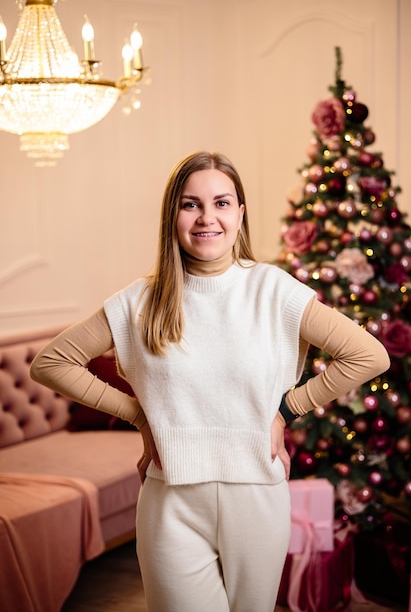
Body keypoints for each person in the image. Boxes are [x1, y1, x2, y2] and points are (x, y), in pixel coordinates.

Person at [30, 150, 390, 612]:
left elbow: (368, 355)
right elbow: (51, 362)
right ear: (172, 215)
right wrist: (140, 416)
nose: (207, 218)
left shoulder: (274, 290)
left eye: (221, 203)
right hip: (170, 501)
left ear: (240, 213)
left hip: (257, 495)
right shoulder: (140, 299)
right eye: (190, 204)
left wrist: (287, 410)